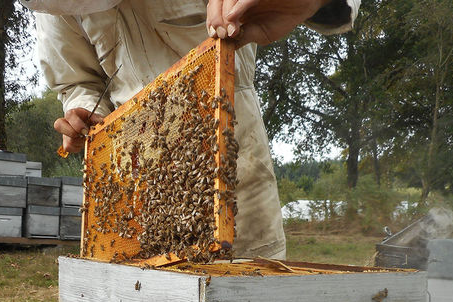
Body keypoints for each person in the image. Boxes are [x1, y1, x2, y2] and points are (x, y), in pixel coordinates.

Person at [22, 0, 359, 259]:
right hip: (137, 182)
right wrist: (83, 110)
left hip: (230, 165)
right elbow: (76, 81)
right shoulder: (52, 7)